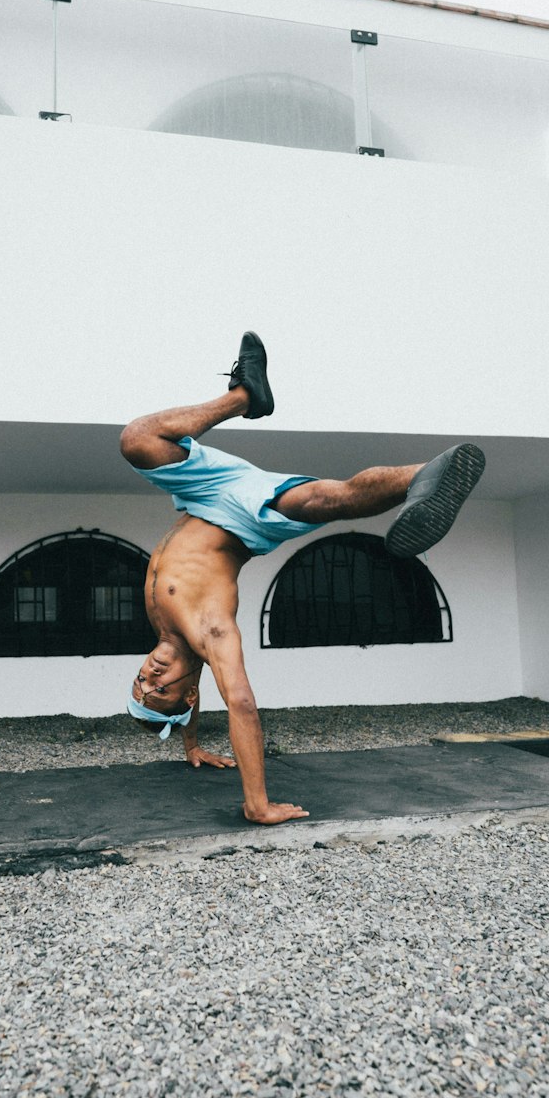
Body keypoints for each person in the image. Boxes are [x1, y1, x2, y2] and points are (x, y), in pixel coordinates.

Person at [120, 333, 485, 826]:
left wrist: (192, 744)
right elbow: (241, 703)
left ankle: (245, 396)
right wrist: (256, 803)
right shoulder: (209, 630)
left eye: (141, 679)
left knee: (137, 440)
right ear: (184, 694)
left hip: (202, 496)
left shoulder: (165, 631)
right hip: (245, 520)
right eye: (157, 688)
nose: (151, 674)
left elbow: (186, 692)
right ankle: (426, 475)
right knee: (329, 500)